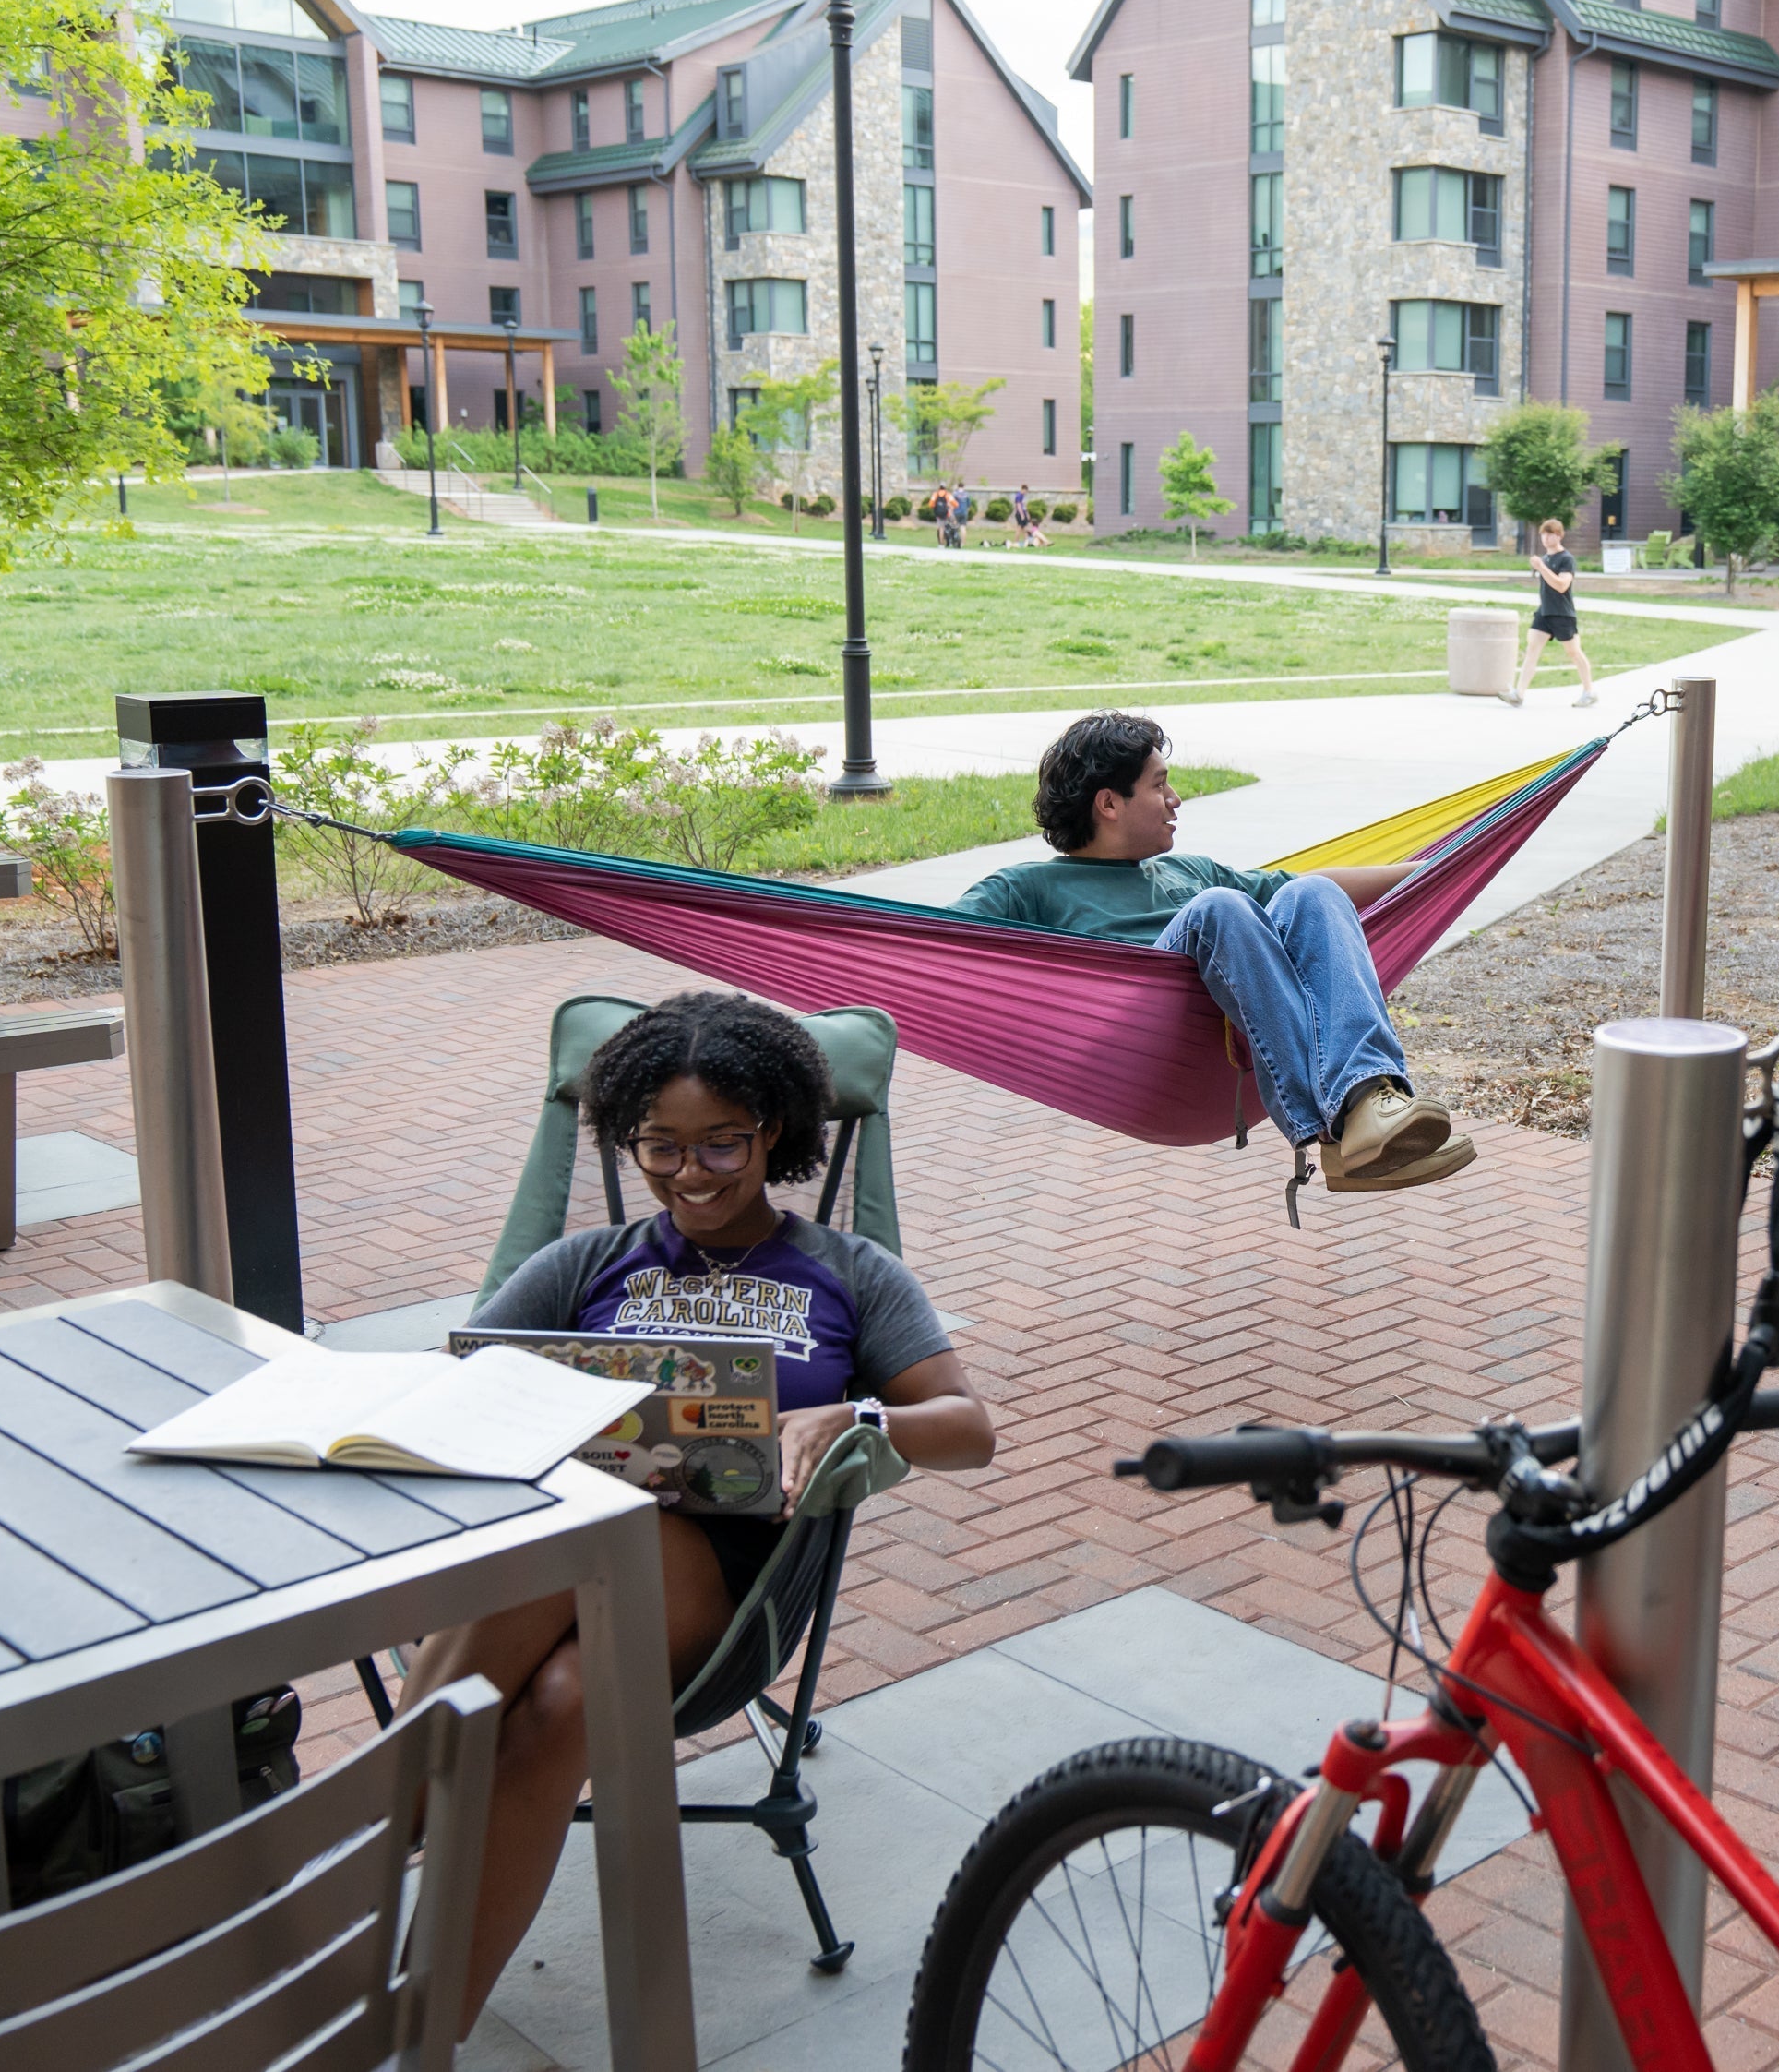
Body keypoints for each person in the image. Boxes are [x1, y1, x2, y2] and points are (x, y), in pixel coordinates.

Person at [403, 991, 996, 2031]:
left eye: (722, 1143)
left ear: (774, 1129)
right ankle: (417, 2024)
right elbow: (456, 1384)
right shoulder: (588, 1263)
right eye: (660, 1146)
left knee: (605, 1534)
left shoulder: (850, 1272)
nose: (690, 1173)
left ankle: (358, 1842)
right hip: (544, 1571)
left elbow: (967, 1426)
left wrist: (852, 1411)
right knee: (563, 1701)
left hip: (725, 1589)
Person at [953, 712, 1475, 1190]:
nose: (1176, 799)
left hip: (1226, 1027)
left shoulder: (1192, 871)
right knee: (1220, 907)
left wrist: (1441, 868)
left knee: (1314, 894)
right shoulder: (1028, 888)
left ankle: (1364, 1105)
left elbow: (1305, 888)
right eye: (1159, 785)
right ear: (1109, 803)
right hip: (1143, 1043)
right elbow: (934, 939)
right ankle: (1335, 1125)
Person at [1503, 517, 1598, 709]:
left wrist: (1541, 568)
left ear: (1559, 536)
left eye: (1551, 534)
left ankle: (1589, 691)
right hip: (1545, 612)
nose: (1546, 538)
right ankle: (1519, 694)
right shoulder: (1545, 558)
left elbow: (1562, 585)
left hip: (1563, 614)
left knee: (1574, 653)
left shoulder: (1566, 559)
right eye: (1543, 534)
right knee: (1532, 649)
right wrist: (1542, 565)